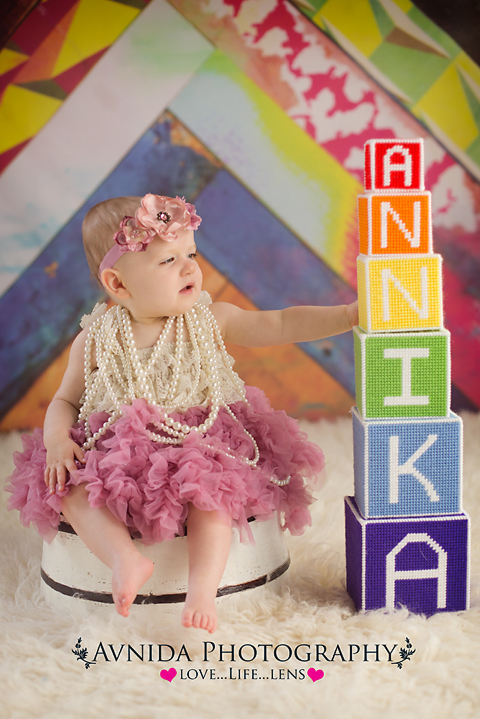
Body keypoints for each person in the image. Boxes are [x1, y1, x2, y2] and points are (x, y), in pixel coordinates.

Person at [6, 194, 358, 633]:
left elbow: (281, 323)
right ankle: (124, 559)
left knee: (211, 495)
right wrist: (59, 441)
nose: (190, 267)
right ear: (118, 285)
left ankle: (202, 591)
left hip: (200, 439)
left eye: (190, 253)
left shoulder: (210, 318)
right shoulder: (97, 339)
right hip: (117, 445)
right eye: (168, 260)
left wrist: (347, 315)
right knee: (68, 488)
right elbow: (65, 401)